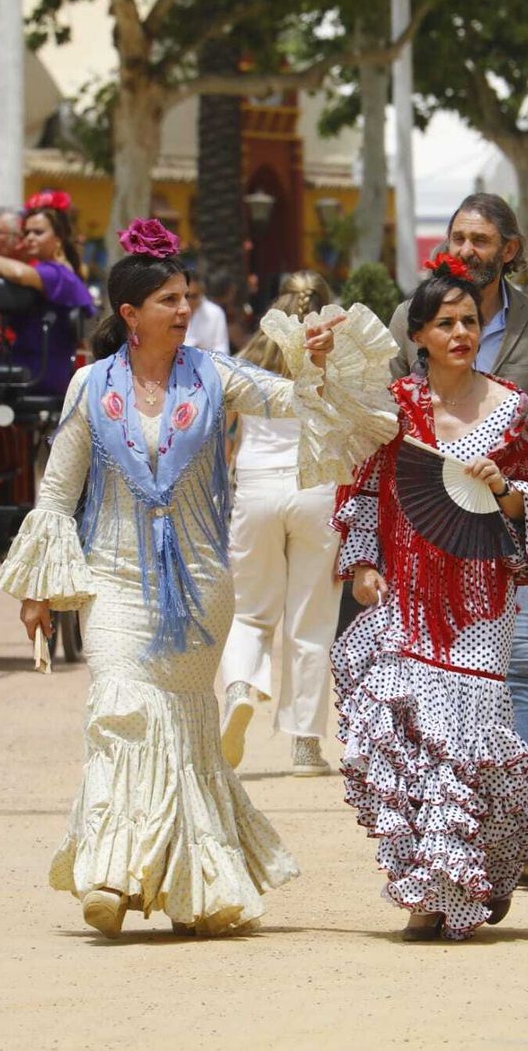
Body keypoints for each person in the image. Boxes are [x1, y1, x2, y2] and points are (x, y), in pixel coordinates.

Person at [0, 218, 395, 938]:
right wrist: (37, 589)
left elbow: (292, 400)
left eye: (186, 297)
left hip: (204, 582)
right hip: (113, 576)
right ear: (129, 315)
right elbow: (58, 492)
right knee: (120, 707)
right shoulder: (89, 386)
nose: (184, 310)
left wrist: (316, 361)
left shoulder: (215, 374)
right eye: (168, 300)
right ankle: (112, 876)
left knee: (179, 728)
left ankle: (189, 883)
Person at [333, 255, 528, 941]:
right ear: (422, 336)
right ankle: (426, 891)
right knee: (412, 741)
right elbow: (368, 488)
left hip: (482, 602)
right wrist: (363, 563)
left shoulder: (513, 408)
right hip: (406, 592)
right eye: (447, 322)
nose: (463, 331)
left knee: (464, 743)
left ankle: (467, 882)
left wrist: (503, 488)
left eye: (471, 320)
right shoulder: (396, 407)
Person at [388, 193, 528, 807]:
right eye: (458, 236)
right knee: (430, 681)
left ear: (509, 251)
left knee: (521, 664)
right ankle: (452, 813)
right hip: (429, 541)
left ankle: (527, 809)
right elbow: (386, 420)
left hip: (514, 530)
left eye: (481, 240)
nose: (467, 249)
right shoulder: (406, 315)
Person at [217, 278, 344, 778]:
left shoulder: (247, 357)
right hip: (317, 488)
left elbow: (226, 429)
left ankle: (240, 690)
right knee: (310, 623)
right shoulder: (333, 356)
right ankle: (306, 745)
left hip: (257, 487)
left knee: (250, 613)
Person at [0, 196, 95, 396]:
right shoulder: (50, 270)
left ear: (59, 238)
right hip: (31, 363)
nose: (30, 238)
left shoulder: (57, 273)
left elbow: (18, 274)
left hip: (40, 370)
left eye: (38, 232)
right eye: (27, 232)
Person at [183, 267, 234, 354]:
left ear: (202, 292)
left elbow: (223, 348)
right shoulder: (174, 312)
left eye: (194, 296)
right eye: (186, 296)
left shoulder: (215, 313)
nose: (189, 301)